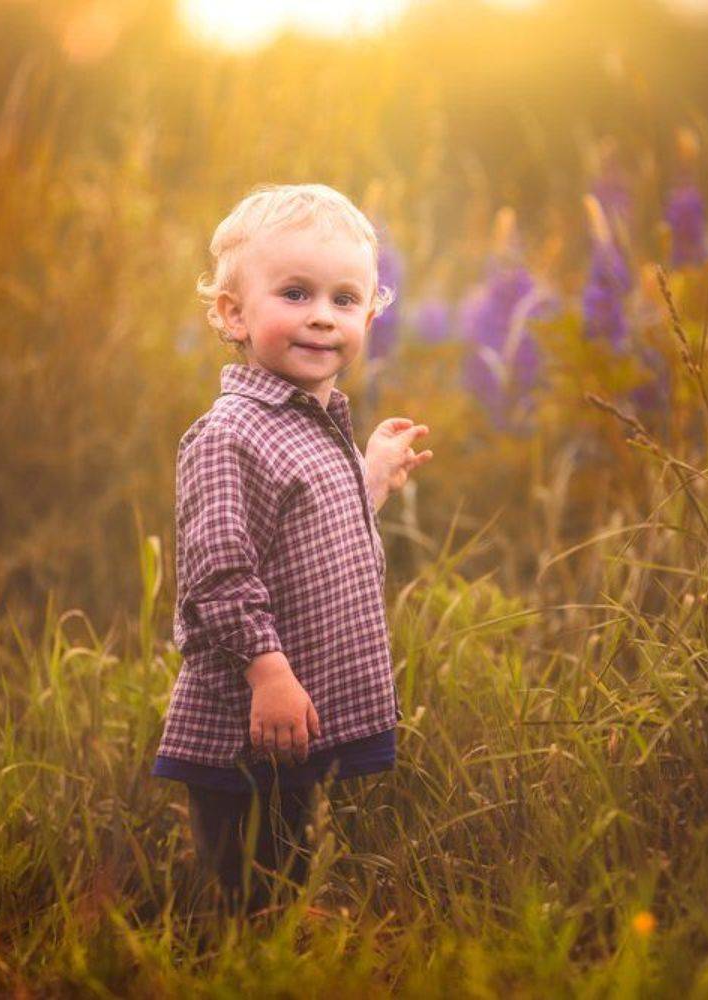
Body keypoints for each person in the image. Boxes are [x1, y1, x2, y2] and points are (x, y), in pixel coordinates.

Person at [152, 183, 433, 916]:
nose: (321, 315)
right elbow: (217, 576)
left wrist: (369, 476)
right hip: (245, 712)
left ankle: (282, 943)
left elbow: (310, 533)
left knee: (290, 851)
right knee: (245, 871)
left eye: (345, 300)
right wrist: (267, 672)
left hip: (293, 712)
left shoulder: (313, 423)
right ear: (233, 313)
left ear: (371, 313)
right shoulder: (228, 435)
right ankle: (234, 956)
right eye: (295, 293)